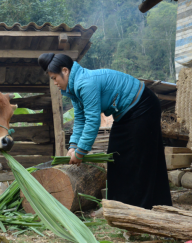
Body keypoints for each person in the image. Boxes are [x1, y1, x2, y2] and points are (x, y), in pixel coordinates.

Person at [38, 53, 172, 209]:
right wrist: (73, 146)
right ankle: (117, 206)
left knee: (138, 160)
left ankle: (139, 209)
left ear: (65, 71)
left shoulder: (85, 83)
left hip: (142, 106)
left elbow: (92, 121)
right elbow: (80, 118)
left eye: (54, 78)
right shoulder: (73, 89)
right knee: (116, 156)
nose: (54, 82)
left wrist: (80, 152)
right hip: (126, 112)